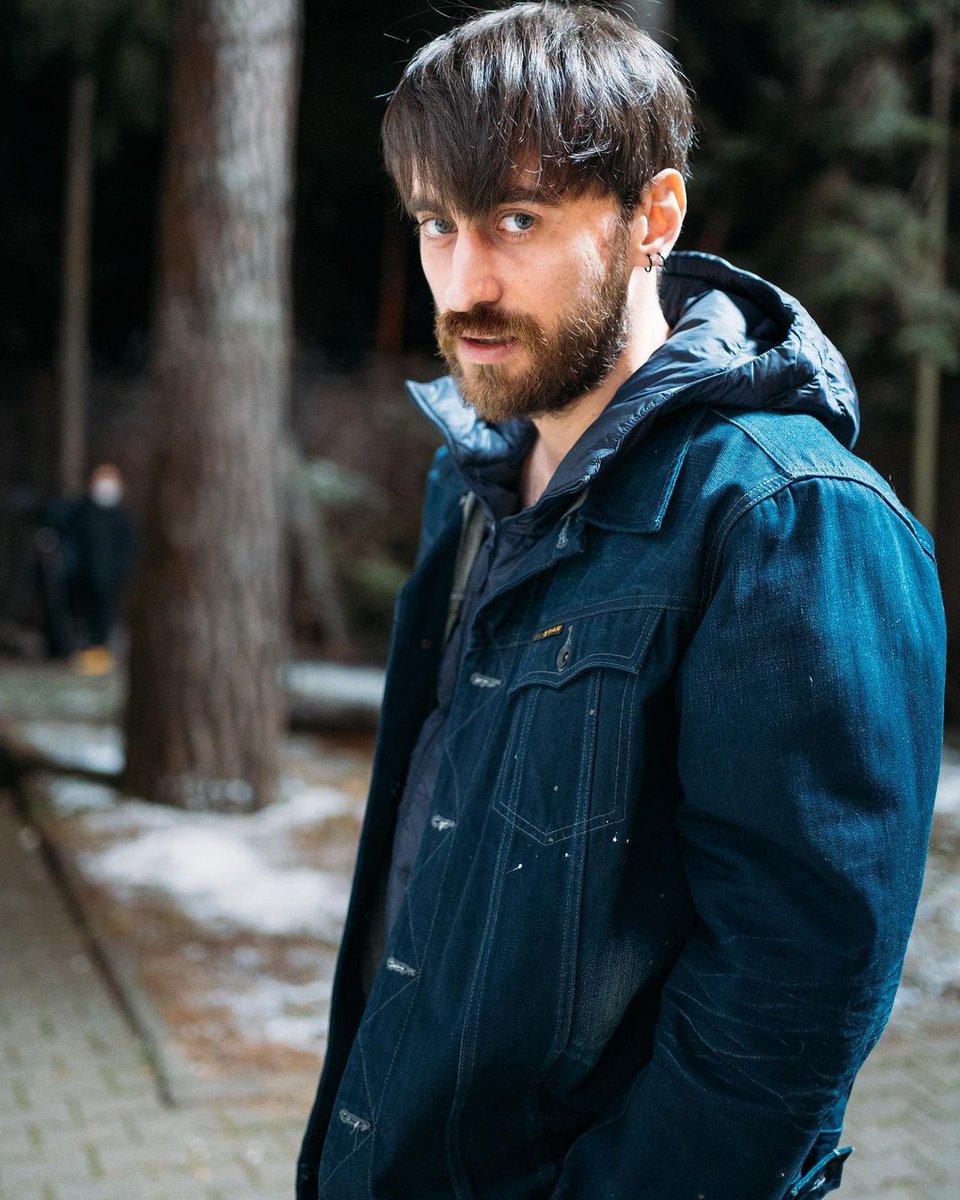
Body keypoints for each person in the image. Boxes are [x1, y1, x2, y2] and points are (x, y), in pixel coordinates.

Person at [298, 5, 946, 1198]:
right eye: (438, 224)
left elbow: (788, 1010)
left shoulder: (789, 520)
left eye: (518, 219)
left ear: (655, 219)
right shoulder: (474, 482)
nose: (465, 281)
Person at [68, 463, 137, 674]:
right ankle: (86, 654)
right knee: (83, 619)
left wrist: (122, 573)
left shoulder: (123, 518)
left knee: (107, 619)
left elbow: (129, 550)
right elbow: (73, 545)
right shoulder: (82, 514)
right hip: (84, 580)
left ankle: (103, 654)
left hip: (112, 581)